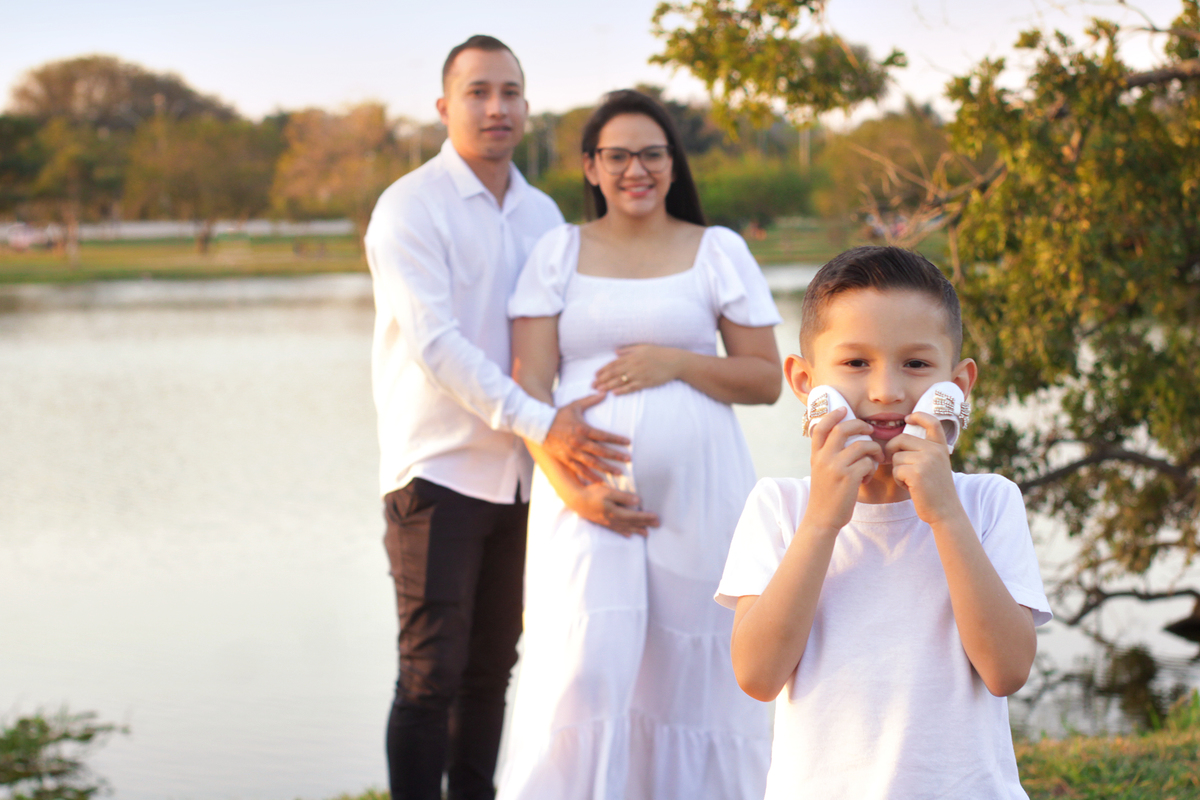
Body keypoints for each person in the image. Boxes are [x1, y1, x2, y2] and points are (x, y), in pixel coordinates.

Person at [363, 36, 636, 800]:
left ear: (526, 107)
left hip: (523, 480)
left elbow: (555, 333)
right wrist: (543, 422)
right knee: (429, 673)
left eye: (511, 92)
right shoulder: (409, 208)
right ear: (444, 106)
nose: (496, 107)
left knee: (492, 671)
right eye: (479, 91)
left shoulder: (542, 213)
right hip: (438, 472)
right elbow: (436, 346)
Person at [497, 89, 781, 800]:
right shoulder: (556, 252)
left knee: (696, 663)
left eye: (652, 153)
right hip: (584, 495)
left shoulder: (718, 251)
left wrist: (677, 362)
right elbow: (527, 386)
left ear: (672, 163)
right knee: (584, 663)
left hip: (703, 497)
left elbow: (765, 379)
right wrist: (570, 489)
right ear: (591, 167)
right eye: (618, 155)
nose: (637, 169)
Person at [717, 246, 1053, 799]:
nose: (886, 391)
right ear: (804, 381)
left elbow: (1006, 670)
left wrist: (944, 513)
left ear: (959, 384)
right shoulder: (778, 507)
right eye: (855, 363)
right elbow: (757, 675)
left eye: (916, 364)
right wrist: (822, 522)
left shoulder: (989, 502)